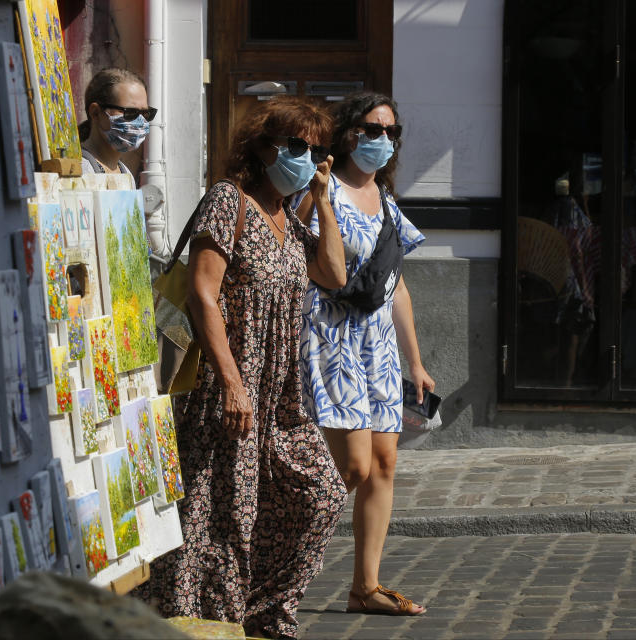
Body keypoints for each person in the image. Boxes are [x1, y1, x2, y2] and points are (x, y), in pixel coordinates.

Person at [143, 96, 349, 639]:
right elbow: (203, 294)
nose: (308, 157)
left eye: (317, 149)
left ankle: (263, 611)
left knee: (320, 494)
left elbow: (333, 274)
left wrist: (323, 201)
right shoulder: (227, 201)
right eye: (297, 146)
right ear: (263, 148)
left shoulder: (289, 219)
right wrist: (232, 384)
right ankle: (206, 622)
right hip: (224, 386)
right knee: (220, 513)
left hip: (280, 393)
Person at [294, 92, 434, 616]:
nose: (382, 141)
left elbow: (394, 285)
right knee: (350, 465)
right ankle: (273, 563)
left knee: (383, 464)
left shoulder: (388, 202)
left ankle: (365, 587)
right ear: (349, 132)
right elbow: (304, 258)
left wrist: (414, 360)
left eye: (391, 132)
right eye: (373, 129)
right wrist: (320, 195)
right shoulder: (318, 190)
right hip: (330, 335)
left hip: (376, 344)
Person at [77, 68, 157, 187]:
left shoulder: (125, 174)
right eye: (130, 112)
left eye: (145, 114)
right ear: (95, 113)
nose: (140, 121)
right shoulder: (78, 171)